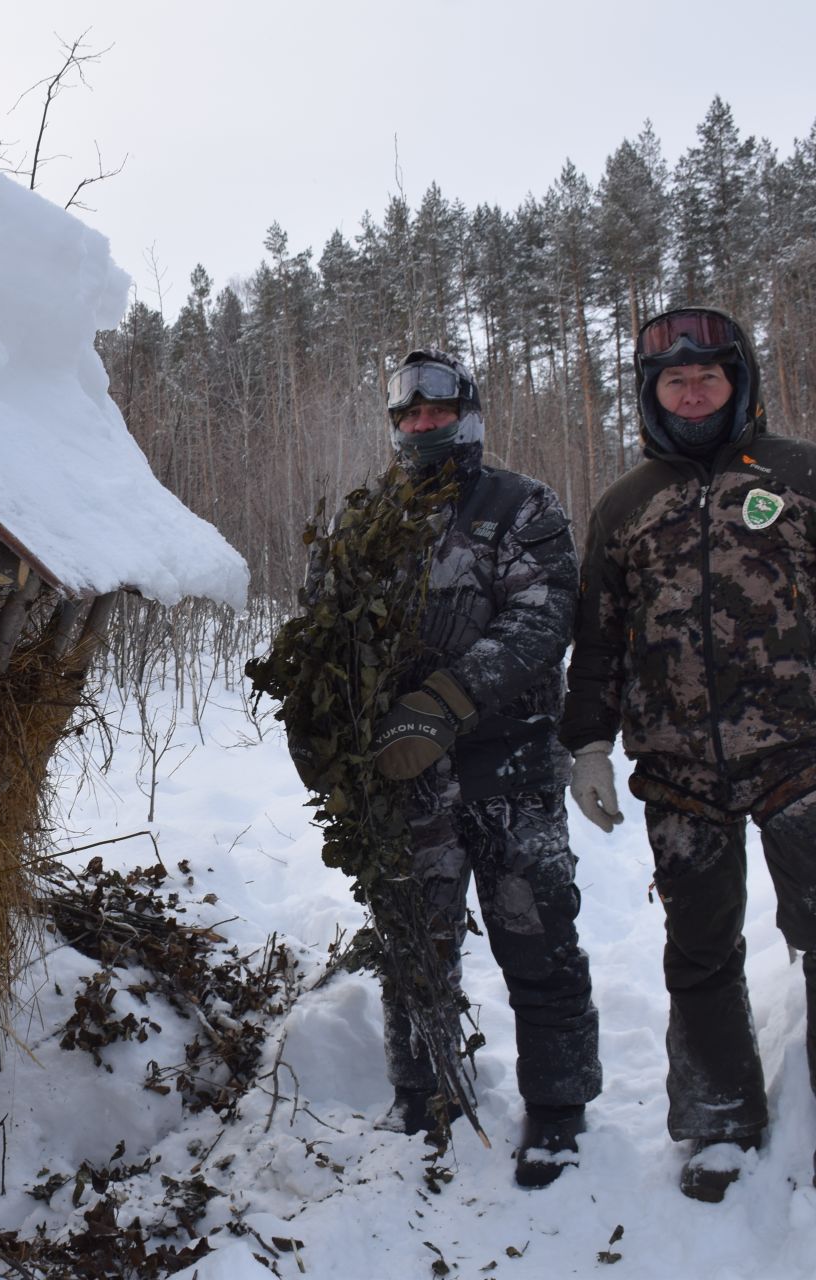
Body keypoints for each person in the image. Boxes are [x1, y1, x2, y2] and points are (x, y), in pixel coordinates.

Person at [561, 306, 816, 1201]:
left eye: (708, 376)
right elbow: (597, 642)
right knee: (701, 950)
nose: (692, 391)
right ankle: (719, 1119)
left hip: (803, 757)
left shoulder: (807, 476)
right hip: (680, 773)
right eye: (674, 381)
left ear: (738, 381)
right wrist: (588, 747)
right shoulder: (625, 505)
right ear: (653, 396)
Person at [297, 349, 602, 1188]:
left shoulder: (520, 505)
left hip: (511, 772)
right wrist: (316, 727)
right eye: (408, 418)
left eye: (436, 414)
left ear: (467, 416)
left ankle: (559, 1108)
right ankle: (420, 1095)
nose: (422, 428)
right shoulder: (365, 521)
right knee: (413, 949)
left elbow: (544, 619)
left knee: (537, 936)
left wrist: (441, 703)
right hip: (406, 782)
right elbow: (323, 632)